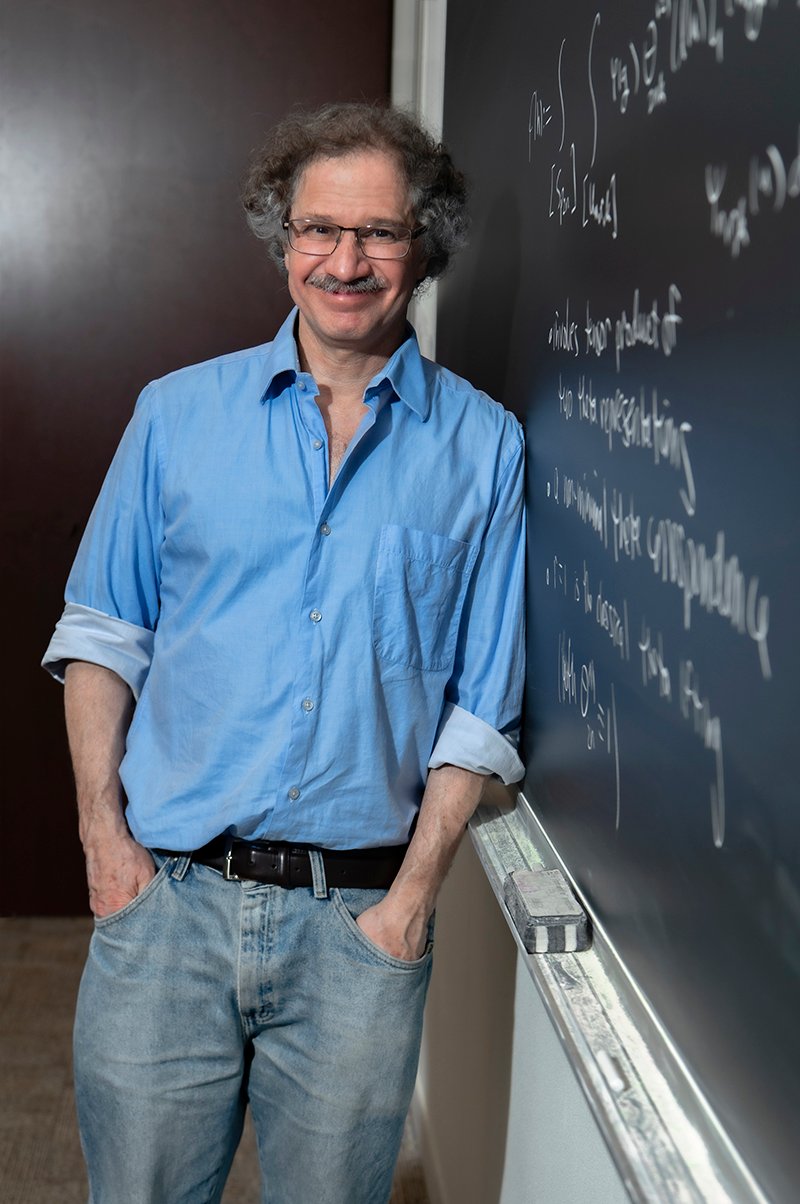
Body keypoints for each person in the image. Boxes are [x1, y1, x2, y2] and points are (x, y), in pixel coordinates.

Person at [43, 102, 525, 1204]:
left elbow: (482, 707)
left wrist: (404, 907)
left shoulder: (484, 450)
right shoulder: (174, 416)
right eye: (318, 230)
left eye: (378, 234)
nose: (344, 262)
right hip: (164, 905)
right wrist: (103, 847)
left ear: (423, 246)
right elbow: (101, 636)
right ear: (282, 236)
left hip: (356, 932)